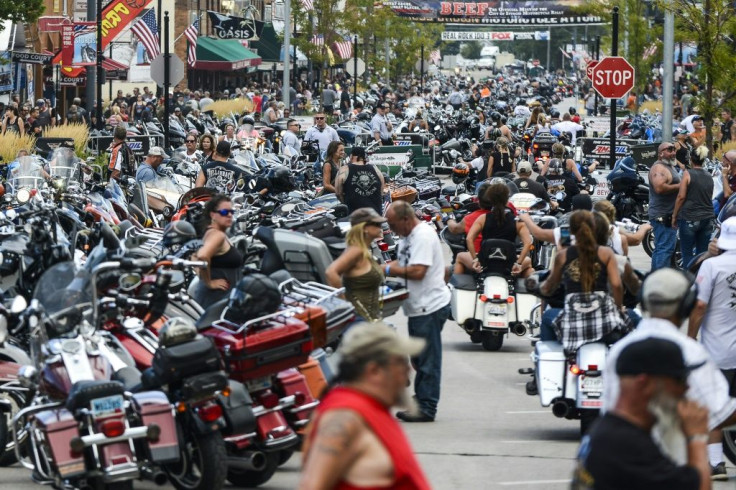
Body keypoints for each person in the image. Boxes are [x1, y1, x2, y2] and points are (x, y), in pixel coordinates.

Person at [299, 322, 431, 490]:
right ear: (374, 370)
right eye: (399, 363)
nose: (407, 371)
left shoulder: (373, 409)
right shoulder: (343, 417)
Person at [572, 338, 711, 490]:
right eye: (679, 380)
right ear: (644, 383)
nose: (686, 388)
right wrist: (697, 438)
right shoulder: (629, 446)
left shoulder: (607, 429)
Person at [384, 200, 451, 422]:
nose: (391, 229)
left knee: (427, 360)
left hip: (429, 306)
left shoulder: (422, 236)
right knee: (420, 358)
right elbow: (405, 263)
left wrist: (386, 268)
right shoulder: (408, 237)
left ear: (405, 219)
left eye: (392, 225)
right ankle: (421, 401)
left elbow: (417, 271)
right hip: (417, 306)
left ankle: (426, 407)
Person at [687, 217, 736, 478]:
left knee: (714, 406)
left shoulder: (712, 266)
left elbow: (699, 306)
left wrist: (690, 338)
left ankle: (716, 463)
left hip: (719, 351)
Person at [540, 210, 625, 354]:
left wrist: (540, 287)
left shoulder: (563, 255)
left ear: (571, 230)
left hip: (573, 328)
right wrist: (618, 308)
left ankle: (550, 364)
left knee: (547, 317)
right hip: (604, 325)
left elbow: (550, 286)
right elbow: (616, 285)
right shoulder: (606, 253)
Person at [325, 208, 386, 322]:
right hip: (360, 319)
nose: (380, 227)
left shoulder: (364, 249)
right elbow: (331, 272)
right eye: (376, 224)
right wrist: (345, 304)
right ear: (364, 228)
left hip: (370, 317)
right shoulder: (356, 250)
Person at [466, 183, 533, 277]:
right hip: (509, 263)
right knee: (529, 264)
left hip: (485, 262)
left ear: (490, 199)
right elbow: (528, 242)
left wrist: (475, 260)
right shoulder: (517, 221)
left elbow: (469, 239)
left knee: (460, 256)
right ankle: (528, 289)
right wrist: (518, 263)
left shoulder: (483, 218)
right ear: (507, 199)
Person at [193, 195, 244, 307]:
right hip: (215, 299)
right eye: (225, 212)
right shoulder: (217, 235)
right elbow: (202, 256)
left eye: (232, 211)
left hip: (214, 298)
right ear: (213, 215)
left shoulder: (211, 232)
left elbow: (194, 256)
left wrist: (202, 277)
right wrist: (209, 282)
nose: (230, 215)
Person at [672, 146, 715, 269]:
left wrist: (674, 216)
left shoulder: (687, 173)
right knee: (702, 254)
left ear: (691, 159)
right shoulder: (709, 176)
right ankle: (700, 280)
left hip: (689, 217)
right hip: (707, 218)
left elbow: (681, 196)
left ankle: (688, 281)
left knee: (687, 253)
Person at [649, 142, 682, 270]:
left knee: (662, 248)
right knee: (665, 249)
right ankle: (660, 281)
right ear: (660, 153)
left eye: (674, 149)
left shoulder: (669, 166)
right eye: (669, 150)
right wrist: (681, 186)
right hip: (663, 215)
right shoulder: (659, 168)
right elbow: (659, 188)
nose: (673, 152)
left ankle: (654, 279)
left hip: (667, 214)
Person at [335, 147, 384, 215]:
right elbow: (381, 191)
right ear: (364, 157)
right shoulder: (375, 169)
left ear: (351, 156)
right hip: (375, 214)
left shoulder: (344, 169)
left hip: (355, 215)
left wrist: (345, 203)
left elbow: (338, 193)